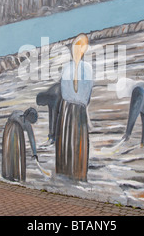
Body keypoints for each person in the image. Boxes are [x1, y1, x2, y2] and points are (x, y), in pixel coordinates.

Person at [56, 34, 93, 182]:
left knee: (66, 140)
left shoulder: (66, 68)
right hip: (80, 109)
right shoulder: (87, 68)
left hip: (66, 110)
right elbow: (87, 94)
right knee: (79, 142)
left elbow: (64, 92)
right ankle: (78, 173)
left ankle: (65, 171)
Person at [2, 108, 39, 182]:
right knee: (12, 153)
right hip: (12, 132)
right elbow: (31, 137)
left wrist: (34, 153)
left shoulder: (27, 123)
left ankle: (14, 174)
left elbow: (31, 138)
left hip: (12, 132)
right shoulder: (19, 116)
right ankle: (11, 174)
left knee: (16, 153)